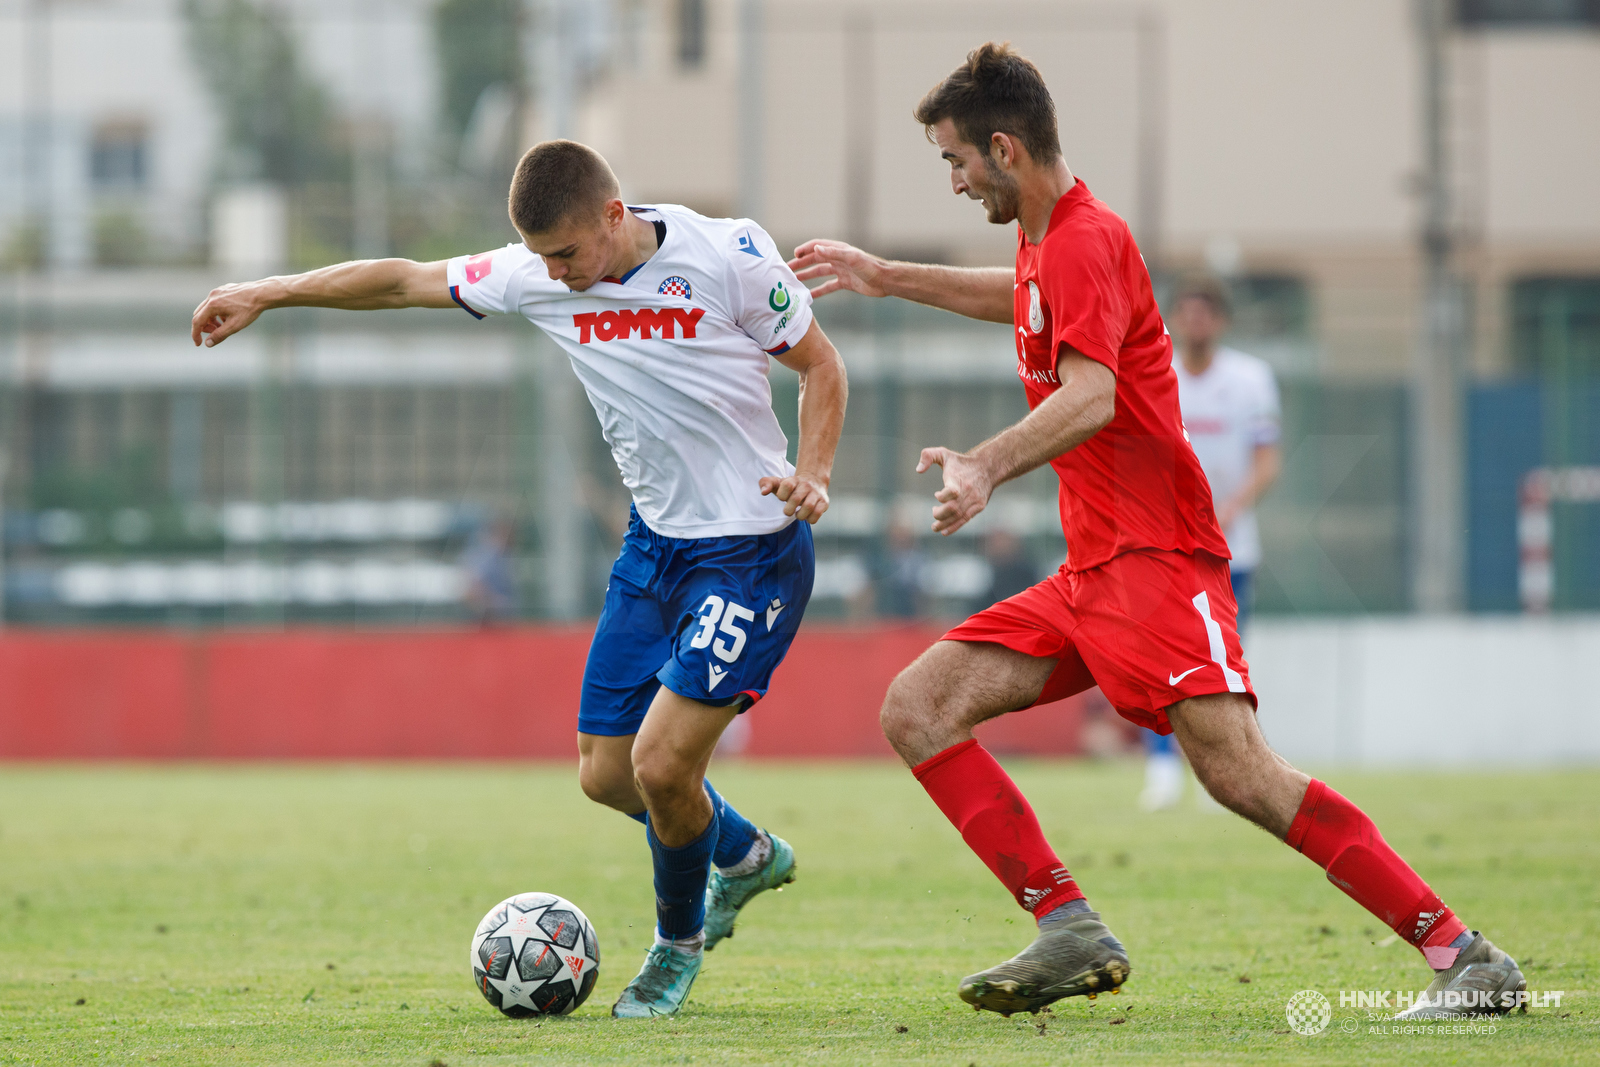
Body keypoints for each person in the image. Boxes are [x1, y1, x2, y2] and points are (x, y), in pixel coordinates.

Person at [789, 43, 1519, 1021]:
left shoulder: (1087, 239)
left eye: (955, 161)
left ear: (1004, 147)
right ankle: (1068, 924)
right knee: (917, 707)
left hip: (1157, 563)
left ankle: (1465, 956)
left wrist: (985, 463)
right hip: (1093, 571)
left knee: (1243, 777)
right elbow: (1012, 300)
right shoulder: (1047, 244)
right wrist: (882, 275)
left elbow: (1092, 395)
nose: (956, 180)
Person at [191, 139, 848, 1018]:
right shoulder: (537, 275)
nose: (555, 273)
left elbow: (821, 365)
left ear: (614, 216)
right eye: (541, 257)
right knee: (606, 774)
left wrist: (815, 473)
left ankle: (676, 947)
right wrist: (266, 292)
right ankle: (740, 853)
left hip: (752, 549)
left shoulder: (728, 255)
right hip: (655, 548)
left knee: (660, 765)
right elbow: (401, 279)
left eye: (568, 253)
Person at [1140, 275, 1282, 811]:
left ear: (1220, 321)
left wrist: (1226, 512)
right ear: (1174, 318)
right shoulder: (1157, 372)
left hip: (1229, 549)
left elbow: (1267, 461)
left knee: (1222, 663)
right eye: (1187, 312)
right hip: (1163, 545)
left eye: (1206, 313)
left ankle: (1224, 774)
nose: (1196, 322)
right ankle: (1160, 767)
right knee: (1158, 656)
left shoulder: (1251, 380)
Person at [461, 516, 518, 625]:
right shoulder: (484, 557)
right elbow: (472, 589)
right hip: (487, 618)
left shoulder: (505, 557)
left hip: (500, 617)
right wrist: (492, 603)